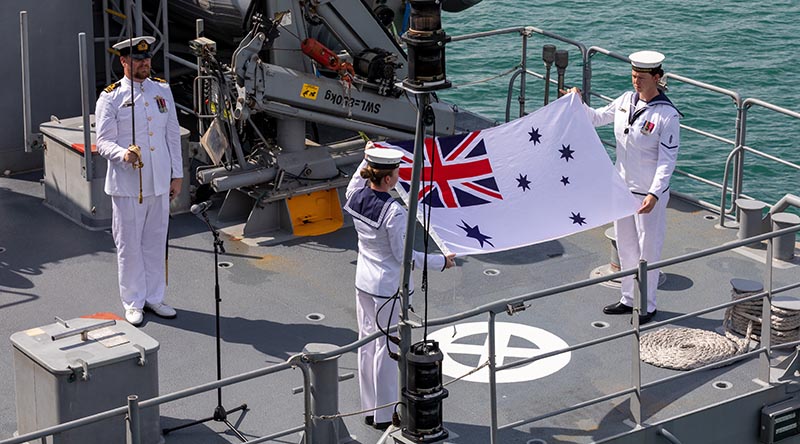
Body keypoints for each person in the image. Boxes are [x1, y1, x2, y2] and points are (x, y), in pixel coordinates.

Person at [344, 143, 456, 430]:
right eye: (395, 172)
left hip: (364, 282)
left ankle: (369, 408)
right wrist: (441, 262)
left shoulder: (354, 195)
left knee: (367, 342)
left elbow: (357, 179)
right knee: (385, 348)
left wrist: (367, 154)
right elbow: (405, 256)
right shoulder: (393, 212)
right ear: (389, 179)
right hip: (387, 288)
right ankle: (383, 415)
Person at [574, 50, 681, 324]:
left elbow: (667, 162)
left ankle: (648, 304)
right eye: (634, 76)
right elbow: (597, 118)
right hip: (621, 188)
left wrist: (655, 193)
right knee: (626, 247)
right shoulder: (624, 101)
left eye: (642, 77)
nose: (636, 82)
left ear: (657, 78)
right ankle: (628, 298)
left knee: (648, 250)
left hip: (647, 194)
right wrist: (576, 103)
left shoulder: (667, 117)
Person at [96, 36, 183, 326]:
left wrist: (177, 175)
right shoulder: (111, 97)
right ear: (123, 61)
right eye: (137, 59)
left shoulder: (162, 90)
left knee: (156, 241)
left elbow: (172, 134)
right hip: (128, 184)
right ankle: (133, 301)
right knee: (129, 244)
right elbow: (103, 142)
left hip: (158, 180)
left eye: (146, 59)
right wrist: (124, 155)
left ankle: (154, 297)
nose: (144, 63)